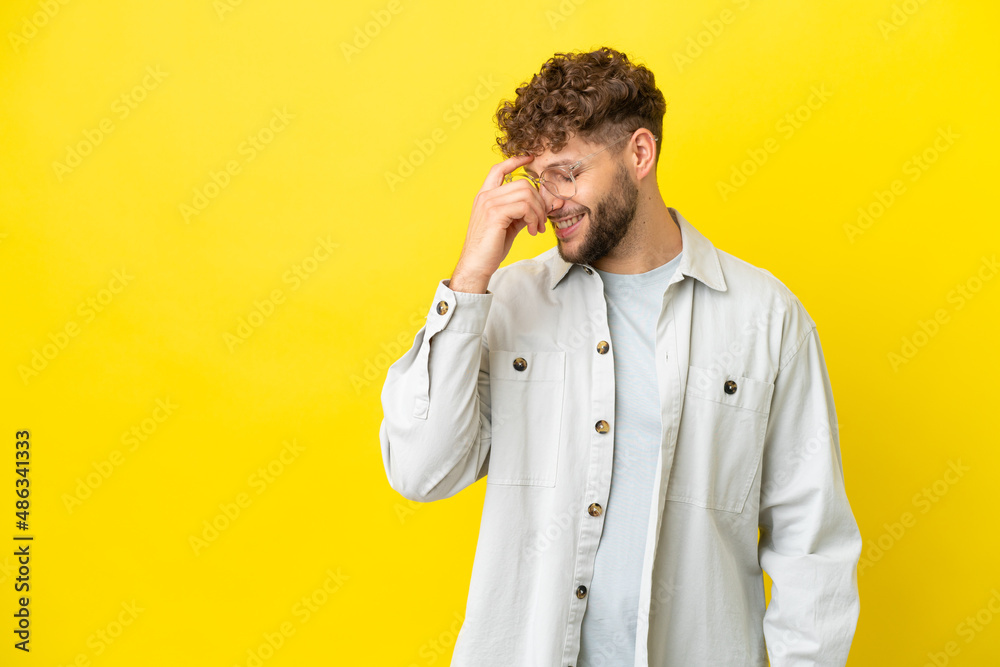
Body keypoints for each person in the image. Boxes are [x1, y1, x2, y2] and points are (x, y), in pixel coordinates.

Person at [378, 46, 861, 667]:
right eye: (538, 177)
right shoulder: (506, 302)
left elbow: (811, 542)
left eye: (569, 173)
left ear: (639, 154)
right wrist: (470, 278)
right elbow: (421, 471)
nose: (549, 202)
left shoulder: (765, 319)